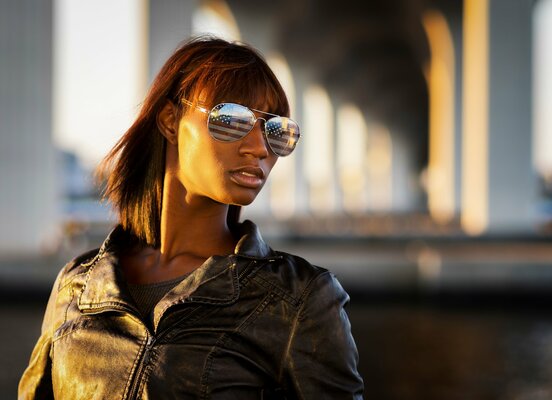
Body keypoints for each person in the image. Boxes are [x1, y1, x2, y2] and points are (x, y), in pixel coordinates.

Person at [18, 36, 364, 399]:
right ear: (170, 121)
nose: (260, 147)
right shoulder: (77, 285)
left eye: (276, 130)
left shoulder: (298, 300)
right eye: (232, 119)